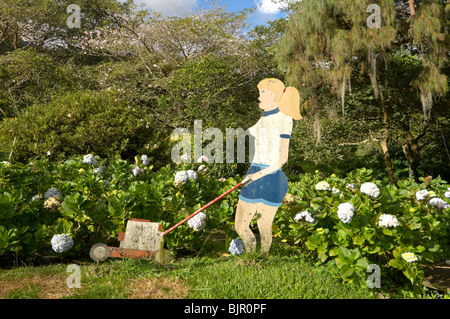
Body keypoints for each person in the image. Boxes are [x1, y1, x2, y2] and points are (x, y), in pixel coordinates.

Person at [235, 78, 302, 256]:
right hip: (254, 172)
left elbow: (282, 159)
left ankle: (262, 259)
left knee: (263, 226)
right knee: (240, 225)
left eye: (262, 93)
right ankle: (250, 258)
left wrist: (257, 176)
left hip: (271, 177)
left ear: (274, 96)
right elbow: (248, 132)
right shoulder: (264, 117)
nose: (258, 98)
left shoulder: (285, 119)